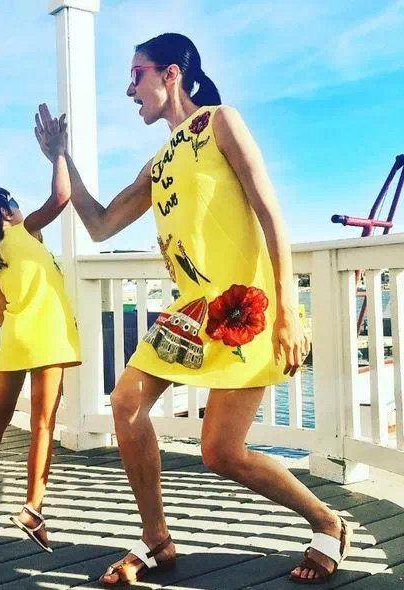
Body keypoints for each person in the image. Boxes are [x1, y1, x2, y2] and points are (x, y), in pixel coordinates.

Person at [35, 33, 349, 585]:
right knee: (125, 402)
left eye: (136, 75)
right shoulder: (159, 162)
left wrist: (287, 310)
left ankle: (328, 522)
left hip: (243, 307)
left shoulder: (221, 122)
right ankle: (156, 538)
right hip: (191, 310)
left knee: (221, 452)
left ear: (171, 74)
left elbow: (270, 213)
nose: (129, 89)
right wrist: (62, 158)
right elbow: (100, 224)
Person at [0, 113, 79, 553]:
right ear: (8, 213)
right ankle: (32, 508)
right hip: (47, 337)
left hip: (14, 340)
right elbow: (61, 197)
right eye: (15, 203)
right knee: (43, 423)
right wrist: (58, 154)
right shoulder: (25, 232)